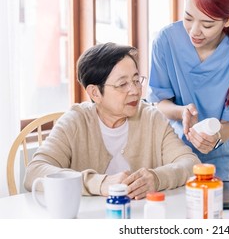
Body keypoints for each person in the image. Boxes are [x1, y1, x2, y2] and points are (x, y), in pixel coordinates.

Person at [24, 42, 200, 199]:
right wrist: (100, 183)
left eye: (136, 80)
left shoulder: (151, 118)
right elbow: (34, 172)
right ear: (95, 93)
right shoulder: (75, 121)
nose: (135, 91)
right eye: (122, 84)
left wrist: (157, 178)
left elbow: (191, 164)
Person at [148, 0, 229, 180]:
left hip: (216, 159)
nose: (194, 31)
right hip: (169, 153)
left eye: (207, 24)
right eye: (188, 18)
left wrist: (215, 138)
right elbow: (159, 103)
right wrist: (182, 111)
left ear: (228, 20)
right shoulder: (165, 41)